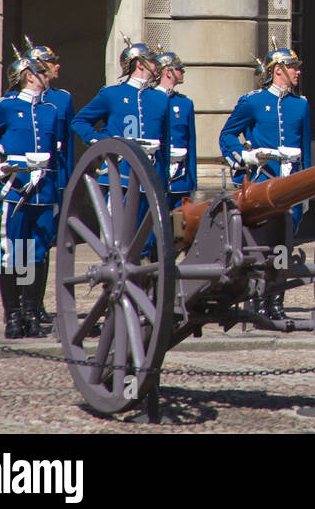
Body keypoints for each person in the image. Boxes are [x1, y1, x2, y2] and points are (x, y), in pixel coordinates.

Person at [218, 40, 311, 323]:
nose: (298, 72)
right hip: (263, 180)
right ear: (278, 70)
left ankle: (276, 299)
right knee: (261, 245)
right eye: (293, 67)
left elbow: (304, 147)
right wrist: (245, 156)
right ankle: (257, 297)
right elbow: (227, 135)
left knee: (283, 245)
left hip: (291, 182)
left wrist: (306, 188)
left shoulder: (301, 105)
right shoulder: (254, 101)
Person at [0, 49, 62, 338]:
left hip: (44, 188)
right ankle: (12, 317)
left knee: (36, 253)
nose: (46, 76)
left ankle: (30, 314)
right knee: (12, 253)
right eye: (41, 72)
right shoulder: (6, 106)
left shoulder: (51, 109)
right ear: (29, 76)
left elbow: (57, 150)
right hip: (16, 189)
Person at [72, 37, 171, 194]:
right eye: (152, 61)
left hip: (152, 174)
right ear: (140, 63)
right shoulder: (112, 94)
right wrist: (102, 143)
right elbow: (80, 121)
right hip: (119, 170)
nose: (157, 64)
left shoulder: (161, 98)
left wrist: (164, 179)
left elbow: (165, 140)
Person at [22, 37, 72, 327]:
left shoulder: (62, 98)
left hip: (54, 177)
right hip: (27, 181)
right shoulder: (19, 100)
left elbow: (65, 145)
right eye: (51, 63)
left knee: (44, 245)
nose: (56, 67)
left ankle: (37, 303)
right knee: (22, 248)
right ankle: (23, 306)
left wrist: (67, 180)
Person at [155, 49, 197, 211]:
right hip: (157, 170)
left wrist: (192, 180)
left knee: (180, 227)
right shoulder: (149, 98)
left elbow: (191, 142)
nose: (182, 72)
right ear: (168, 71)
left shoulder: (185, 103)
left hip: (181, 176)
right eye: (178, 69)